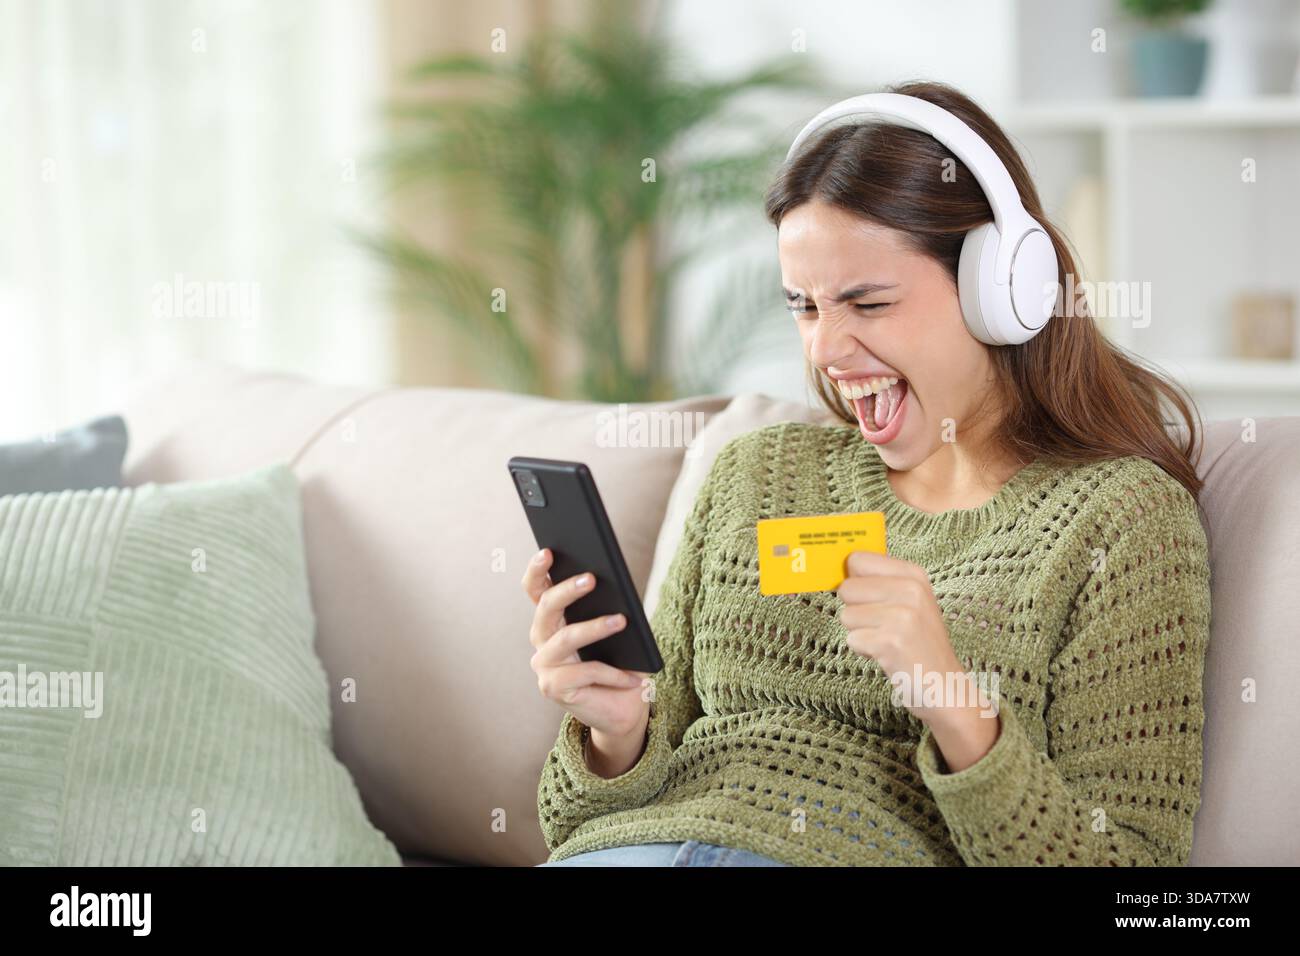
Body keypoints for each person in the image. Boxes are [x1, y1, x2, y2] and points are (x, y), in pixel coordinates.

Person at [526, 79, 1211, 867]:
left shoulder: (1117, 520)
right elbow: (574, 822)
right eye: (806, 308)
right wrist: (613, 734)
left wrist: (952, 702)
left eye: (868, 303)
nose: (823, 351)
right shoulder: (758, 471)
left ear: (1002, 291)